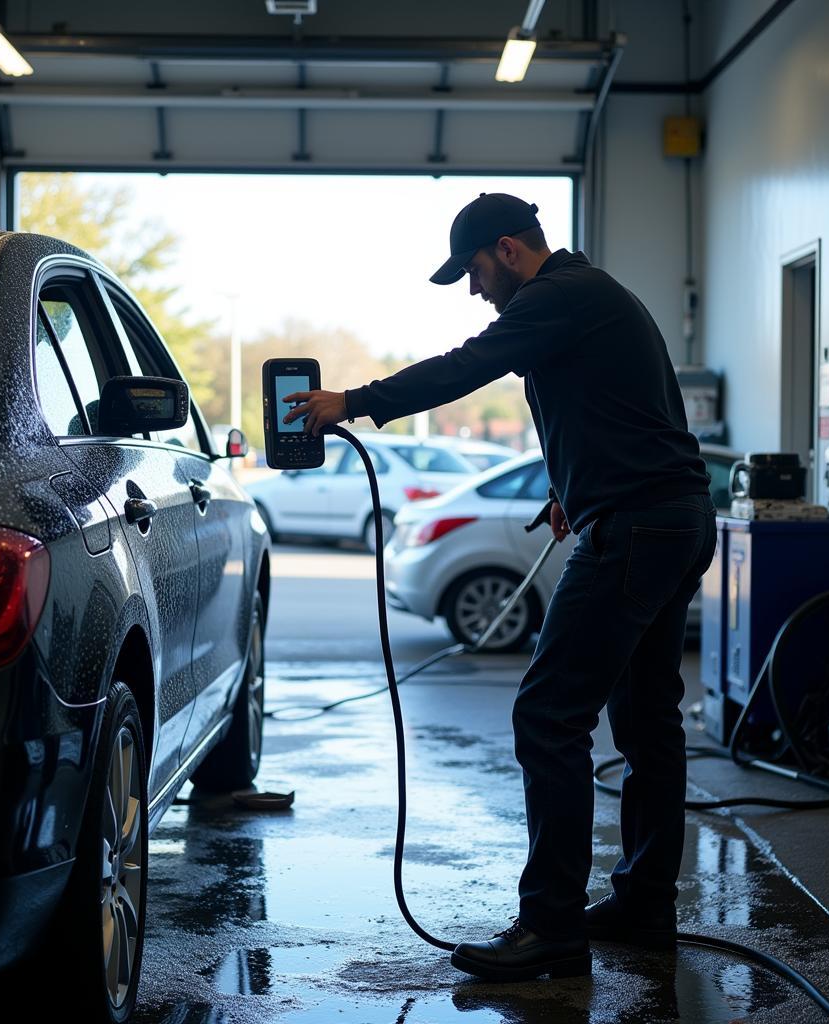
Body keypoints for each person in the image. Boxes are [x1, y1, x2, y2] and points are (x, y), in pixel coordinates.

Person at [282, 193, 716, 983]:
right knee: (647, 722)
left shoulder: (558, 298)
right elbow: (629, 410)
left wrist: (357, 400)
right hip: (671, 518)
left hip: (636, 529)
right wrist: (573, 487)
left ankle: (551, 925)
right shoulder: (594, 298)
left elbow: (466, 365)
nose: (476, 290)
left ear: (509, 250)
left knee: (548, 713)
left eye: (476, 272)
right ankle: (645, 905)